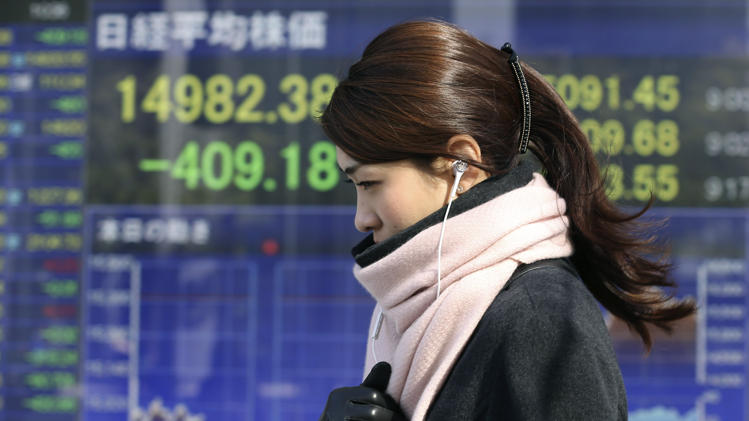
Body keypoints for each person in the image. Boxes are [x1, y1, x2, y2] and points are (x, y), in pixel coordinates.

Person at [317, 19, 695, 421]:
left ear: (462, 164)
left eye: (369, 183)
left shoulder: (539, 320)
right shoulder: (434, 306)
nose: (361, 219)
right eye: (354, 185)